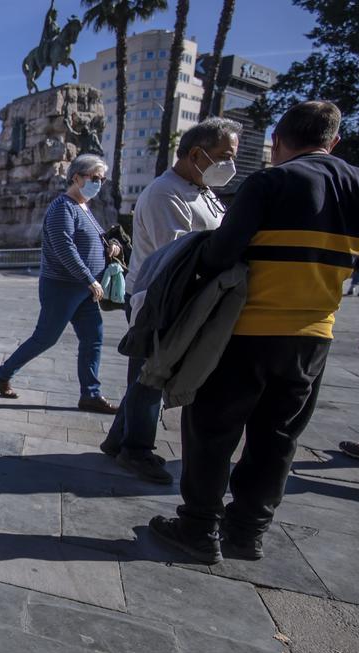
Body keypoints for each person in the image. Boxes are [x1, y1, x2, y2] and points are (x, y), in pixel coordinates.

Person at [149, 101, 359, 565]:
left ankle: (199, 528)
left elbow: (220, 253)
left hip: (245, 331)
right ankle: (248, 533)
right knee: (279, 438)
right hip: (314, 336)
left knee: (213, 429)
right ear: (334, 144)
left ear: (277, 142)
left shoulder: (271, 181)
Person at [100, 118, 242, 484]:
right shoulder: (166, 193)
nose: (230, 165)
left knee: (145, 374)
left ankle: (119, 439)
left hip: (179, 295)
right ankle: (136, 449)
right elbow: (177, 254)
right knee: (152, 373)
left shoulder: (200, 190)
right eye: (224, 156)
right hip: (158, 296)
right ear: (196, 154)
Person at [0, 154, 123, 413]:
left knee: (93, 338)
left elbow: (94, 240)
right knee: (46, 338)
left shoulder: (84, 207)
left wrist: (112, 247)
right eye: (94, 178)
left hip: (85, 289)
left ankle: (90, 395)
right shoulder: (63, 207)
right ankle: (3, 374)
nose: (99, 183)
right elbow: (65, 248)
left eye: (102, 179)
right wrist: (88, 278)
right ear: (76, 177)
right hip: (62, 287)